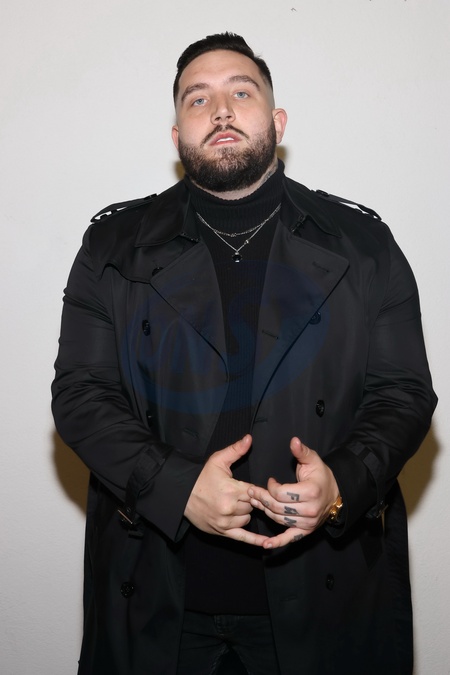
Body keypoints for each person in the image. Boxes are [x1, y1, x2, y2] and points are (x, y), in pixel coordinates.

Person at [52, 32, 437, 675]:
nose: (221, 110)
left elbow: (404, 392)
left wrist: (340, 483)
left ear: (277, 123)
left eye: (241, 92)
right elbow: (80, 395)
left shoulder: (363, 246)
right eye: (198, 99)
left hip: (325, 594)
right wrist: (177, 489)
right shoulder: (112, 248)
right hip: (157, 595)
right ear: (177, 136)